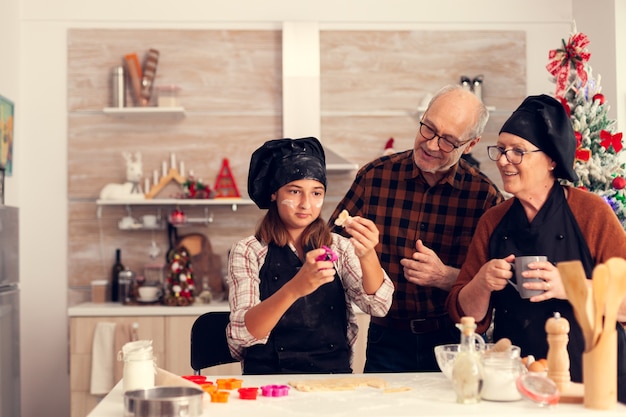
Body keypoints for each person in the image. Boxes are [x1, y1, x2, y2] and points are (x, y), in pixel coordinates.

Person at [446, 94, 626, 402]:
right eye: (501, 150)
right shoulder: (493, 221)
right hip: (519, 385)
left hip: (595, 385)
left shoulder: (591, 213)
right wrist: (482, 282)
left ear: (552, 159)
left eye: (517, 152)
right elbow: (467, 318)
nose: (503, 160)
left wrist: (569, 286)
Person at [329, 84, 504, 372]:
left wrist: (446, 276)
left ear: (471, 144)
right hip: (388, 338)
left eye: (448, 141)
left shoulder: (483, 196)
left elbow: (496, 285)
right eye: (428, 129)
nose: (432, 145)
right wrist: (362, 255)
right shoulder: (376, 177)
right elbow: (332, 251)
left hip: (457, 339)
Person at [226, 137, 394, 374]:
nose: (306, 204)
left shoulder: (339, 247)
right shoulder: (248, 251)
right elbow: (243, 334)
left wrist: (367, 254)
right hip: (268, 382)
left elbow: (379, 306)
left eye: (316, 193)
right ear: (274, 193)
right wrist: (295, 288)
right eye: (295, 191)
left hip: (333, 380)